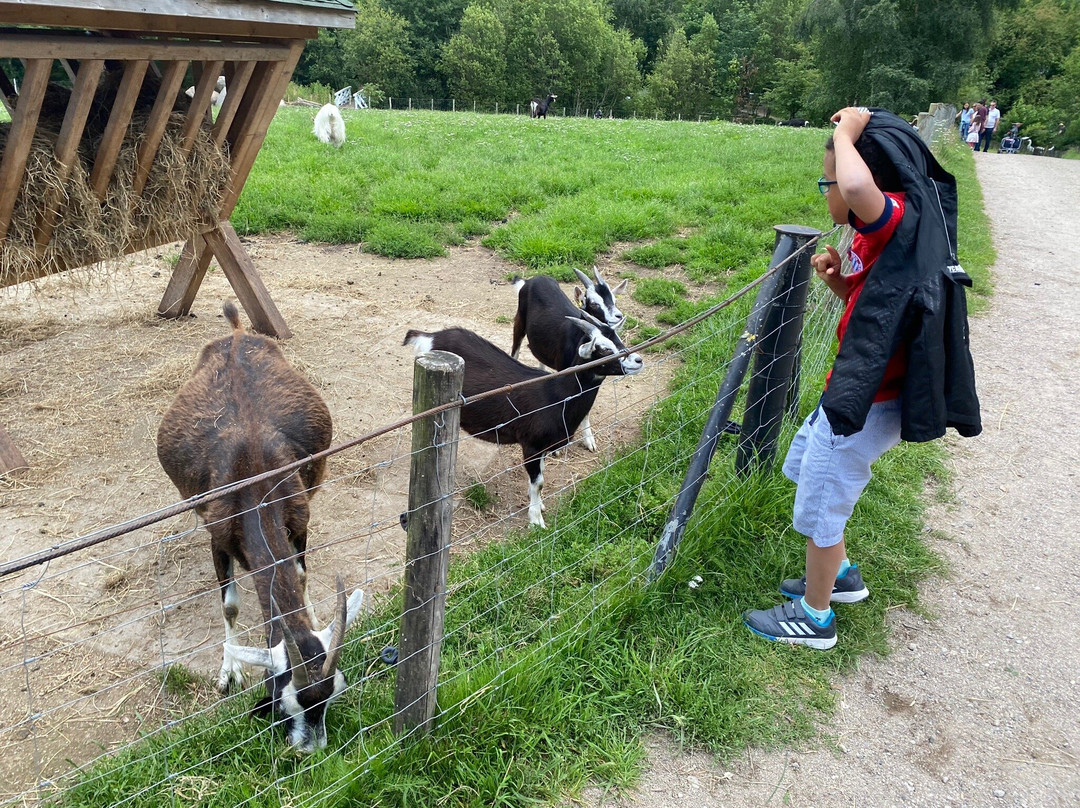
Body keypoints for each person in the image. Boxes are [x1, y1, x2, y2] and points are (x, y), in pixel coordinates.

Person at [742, 107, 981, 650]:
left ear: (857, 186)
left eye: (827, 180)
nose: (829, 190)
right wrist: (843, 286)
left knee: (823, 498)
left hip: (866, 404)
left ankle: (815, 616)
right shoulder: (901, 231)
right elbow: (887, 309)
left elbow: (853, 180)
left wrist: (847, 131)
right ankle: (841, 575)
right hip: (871, 398)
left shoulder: (892, 214)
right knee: (807, 466)